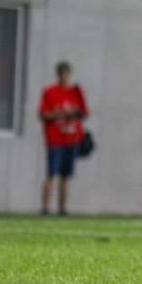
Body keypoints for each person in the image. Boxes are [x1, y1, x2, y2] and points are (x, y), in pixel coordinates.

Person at [38, 61, 89, 216]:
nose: (64, 77)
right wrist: (61, 113)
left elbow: (84, 112)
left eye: (66, 74)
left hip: (71, 139)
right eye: (61, 74)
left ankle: (63, 209)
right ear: (58, 75)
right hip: (55, 139)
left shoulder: (76, 92)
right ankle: (45, 208)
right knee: (51, 174)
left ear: (70, 74)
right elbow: (43, 114)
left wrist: (74, 112)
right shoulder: (50, 92)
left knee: (66, 176)